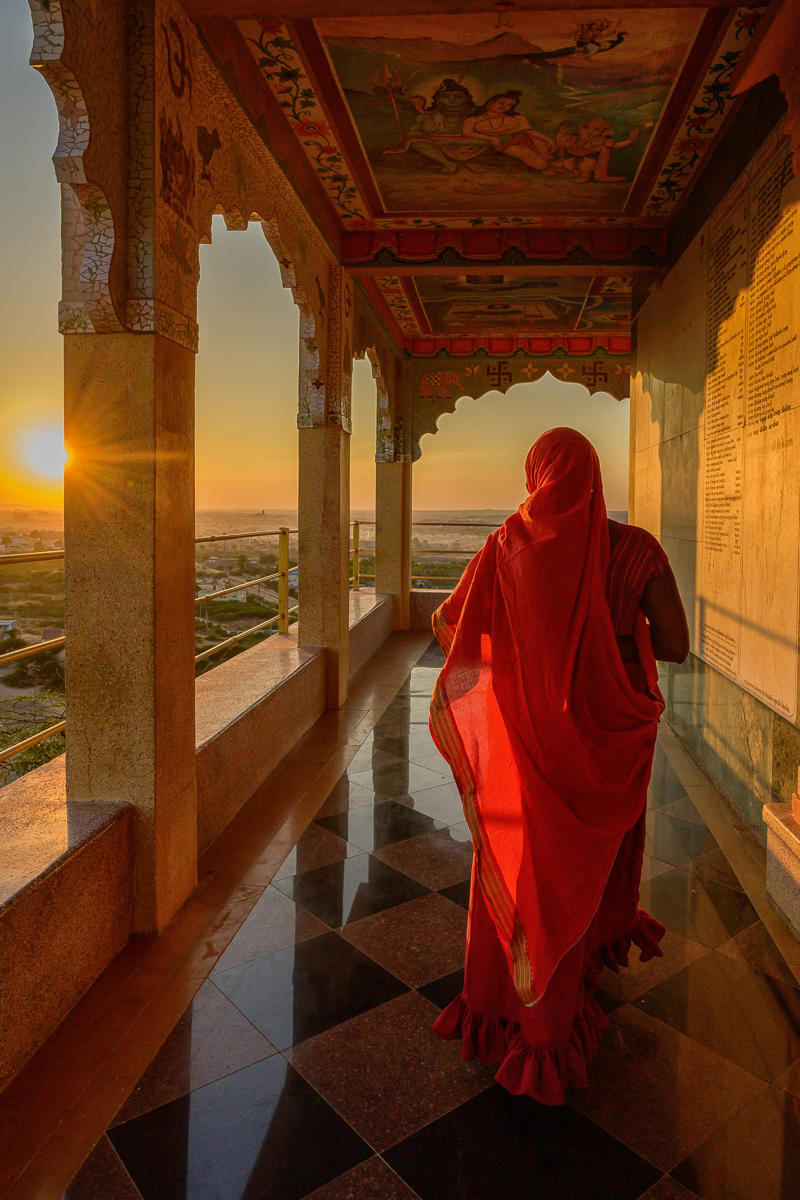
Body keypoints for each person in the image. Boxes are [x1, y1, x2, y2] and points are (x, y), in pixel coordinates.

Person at [429, 427, 689, 1105]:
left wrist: (533, 661)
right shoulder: (637, 551)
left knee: (526, 864)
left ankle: (504, 1003)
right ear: (595, 476)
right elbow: (677, 645)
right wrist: (606, 651)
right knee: (587, 860)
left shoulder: (506, 547)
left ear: (536, 474)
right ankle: (568, 990)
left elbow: (451, 623)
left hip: (533, 736)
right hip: (610, 734)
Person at [462, 91, 556, 174]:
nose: (505, 107)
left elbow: (529, 131)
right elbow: (467, 133)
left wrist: (548, 139)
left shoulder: (516, 117)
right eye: (502, 103)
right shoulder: (474, 119)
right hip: (505, 143)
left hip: (525, 137)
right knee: (530, 156)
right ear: (490, 103)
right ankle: (545, 167)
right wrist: (491, 138)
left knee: (546, 149)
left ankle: (553, 165)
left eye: (510, 105)